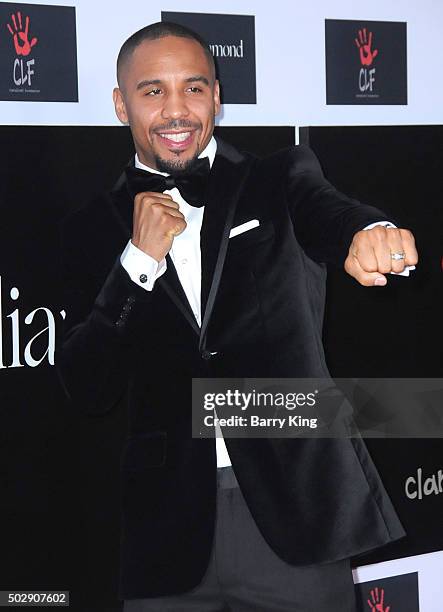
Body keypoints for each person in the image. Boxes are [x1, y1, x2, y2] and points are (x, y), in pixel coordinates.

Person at [58, 21, 418, 612]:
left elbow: (333, 214)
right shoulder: (89, 228)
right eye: (153, 91)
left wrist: (368, 232)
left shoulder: (279, 178)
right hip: (166, 530)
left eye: (193, 88)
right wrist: (136, 264)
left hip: (293, 512)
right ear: (121, 104)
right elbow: (86, 384)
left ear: (217, 96)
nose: (177, 111)